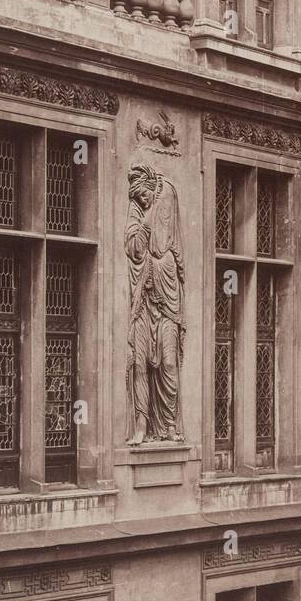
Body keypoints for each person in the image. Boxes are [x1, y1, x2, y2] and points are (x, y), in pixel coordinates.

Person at [125, 164, 185, 442]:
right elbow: (135, 248)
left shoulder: (169, 256)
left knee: (169, 364)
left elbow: (158, 246)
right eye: (138, 199)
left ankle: (169, 425)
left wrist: (150, 213)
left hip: (167, 310)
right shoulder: (138, 211)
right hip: (142, 306)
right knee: (139, 364)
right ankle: (141, 423)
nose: (142, 202)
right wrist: (143, 213)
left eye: (145, 196)